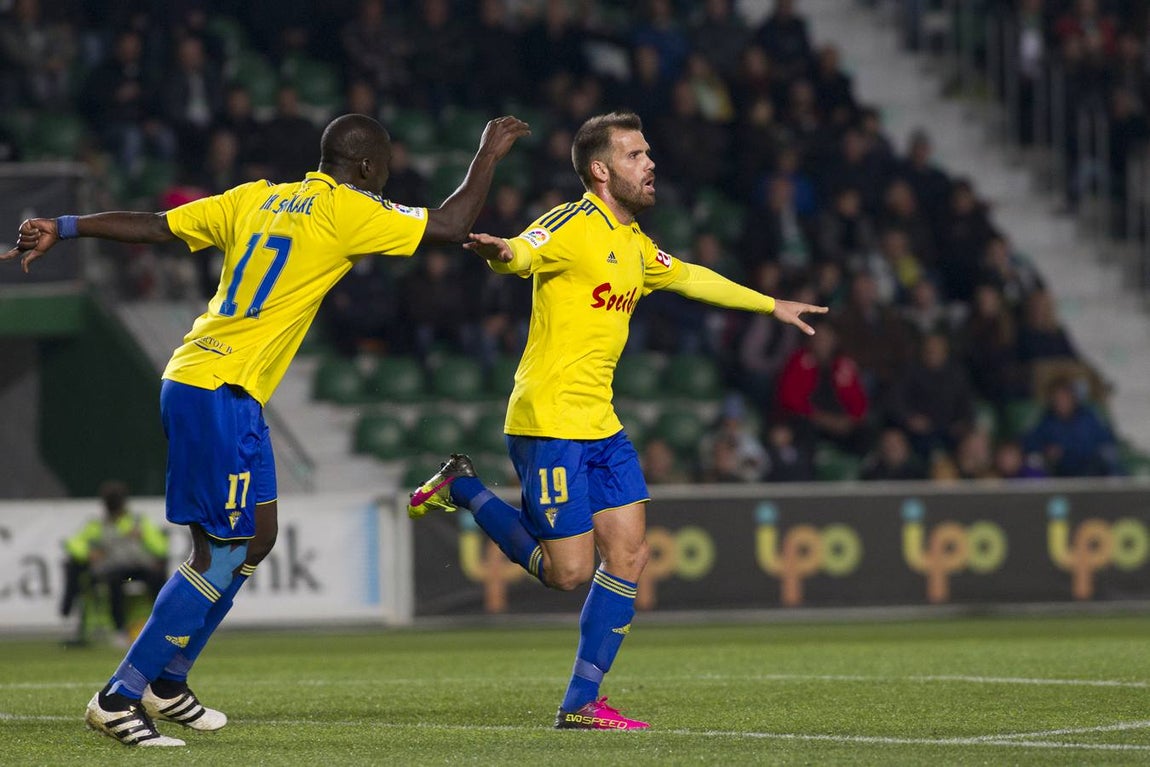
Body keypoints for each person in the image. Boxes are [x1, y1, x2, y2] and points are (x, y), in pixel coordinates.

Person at [3, 112, 529, 747]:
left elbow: (157, 227)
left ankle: (170, 681)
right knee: (220, 549)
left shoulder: (257, 196)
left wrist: (65, 227)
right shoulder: (349, 211)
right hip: (212, 390)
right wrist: (487, 152)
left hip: (226, 389)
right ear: (365, 166)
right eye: (385, 165)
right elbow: (450, 224)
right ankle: (119, 697)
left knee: (258, 538)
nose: (388, 175)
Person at [405, 112, 825, 730]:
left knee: (629, 556)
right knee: (567, 573)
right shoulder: (573, 223)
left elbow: (689, 277)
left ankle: (580, 703)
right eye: (635, 155)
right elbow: (526, 250)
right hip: (548, 419)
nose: (650, 163)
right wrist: (503, 253)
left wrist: (772, 305)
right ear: (601, 171)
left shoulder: (636, 245)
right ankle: (462, 486)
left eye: (648, 152)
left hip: (600, 424)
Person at [60, 481, 168, 645]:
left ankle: (165, 625)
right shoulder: (97, 525)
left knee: (158, 578)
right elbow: (73, 543)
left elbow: (161, 547)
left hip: (137, 573)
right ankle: (120, 630)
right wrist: (89, 553)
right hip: (115, 574)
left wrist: (143, 538)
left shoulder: (138, 522)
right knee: (114, 582)